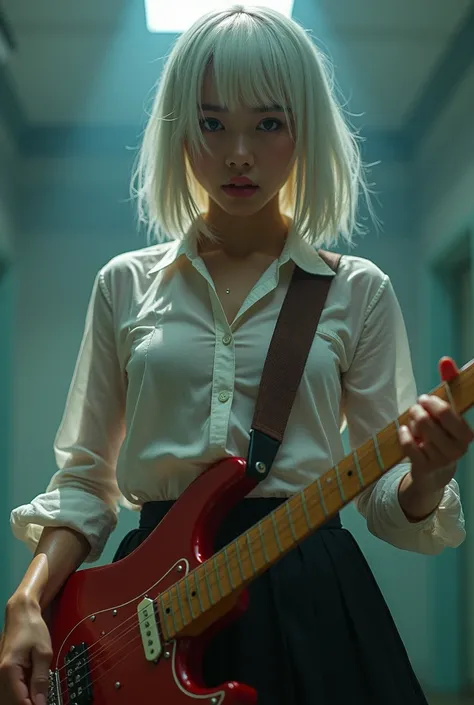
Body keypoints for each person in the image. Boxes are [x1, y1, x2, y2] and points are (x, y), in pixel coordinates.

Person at [1, 4, 472, 705]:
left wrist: (428, 474)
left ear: (303, 130)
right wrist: (28, 601)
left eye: (269, 123)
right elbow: (84, 483)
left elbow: (384, 493)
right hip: (149, 612)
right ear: (181, 134)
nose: (239, 152)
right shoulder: (124, 285)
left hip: (310, 599)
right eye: (213, 123)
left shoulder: (356, 290)